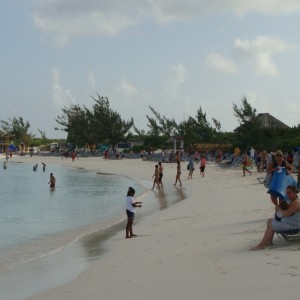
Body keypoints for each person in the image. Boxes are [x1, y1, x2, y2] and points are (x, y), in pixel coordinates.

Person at [251, 185, 300, 250]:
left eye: (289, 192)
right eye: (287, 192)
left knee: (271, 225)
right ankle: (268, 242)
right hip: (290, 222)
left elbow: (287, 214)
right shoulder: (292, 201)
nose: (287, 194)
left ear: (295, 193)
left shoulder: (296, 202)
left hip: (294, 225)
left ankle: (261, 245)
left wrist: (279, 208)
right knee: (269, 220)